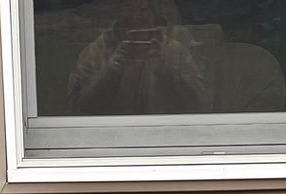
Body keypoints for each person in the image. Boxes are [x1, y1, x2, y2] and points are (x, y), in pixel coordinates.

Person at [66, 0, 212, 116]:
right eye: (129, 7)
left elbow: (202, 106)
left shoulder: (179, 45)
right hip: (112, 141)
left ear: (155, 9)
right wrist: (108, 76)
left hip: (168, 139)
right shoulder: (99, 49)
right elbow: (76, 111)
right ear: (119, 9)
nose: (136, 17)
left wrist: (167, 74)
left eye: (144, 10)